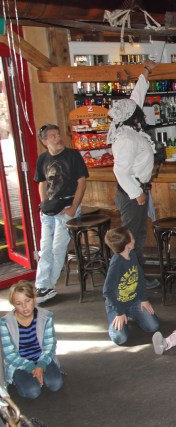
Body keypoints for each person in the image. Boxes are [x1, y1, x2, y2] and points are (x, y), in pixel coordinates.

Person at [109, 60, 160, 291]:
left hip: (138, 190)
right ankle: (125, 280)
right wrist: (137, 193)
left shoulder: (128, 128)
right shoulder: (126, 138)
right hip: (132, 193)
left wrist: (145, 73)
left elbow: (135, 100)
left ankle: (136, 276)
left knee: (137, 235)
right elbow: (120, 170)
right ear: (132, 116)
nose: (140, 112)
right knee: (129, 239)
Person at [33, 123, 89, 303]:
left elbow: (82, 182)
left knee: (58, 248)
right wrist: (44, 204)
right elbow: (42, 183)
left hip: (67, 206)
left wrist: (73, 208)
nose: (58, 138)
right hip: (49, 209)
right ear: (44, 141)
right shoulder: (42, 159)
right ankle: (42, 285)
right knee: (45, 248)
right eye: (53, 136)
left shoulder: (73, 155)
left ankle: (48, 285)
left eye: (58, 135)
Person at [0, 281, 63, 399]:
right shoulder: (5, 323)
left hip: (41, 358)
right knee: (33, 392)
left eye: (27, 301)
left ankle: (38, 375)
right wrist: (31, 367)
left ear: (34, 299)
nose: (24, 307)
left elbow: (50, 345)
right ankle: (17, 379)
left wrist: (41, 365)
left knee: (56, 384)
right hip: (18, 363)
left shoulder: (46, 317)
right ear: (13, 304)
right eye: (18, 303)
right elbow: (10, 355)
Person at [103, 227, 159, 345]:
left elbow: (140, 277)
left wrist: (144, 299)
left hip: (134, 301)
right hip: (118, 305)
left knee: (153, 326)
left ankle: (131, 314)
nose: (134, 239)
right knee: (120, 339)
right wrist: (119, 312)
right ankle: (117, 320)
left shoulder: (132, 254)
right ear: (127, 245)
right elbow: (107, 291)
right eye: (132, 238)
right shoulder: (117, 264)